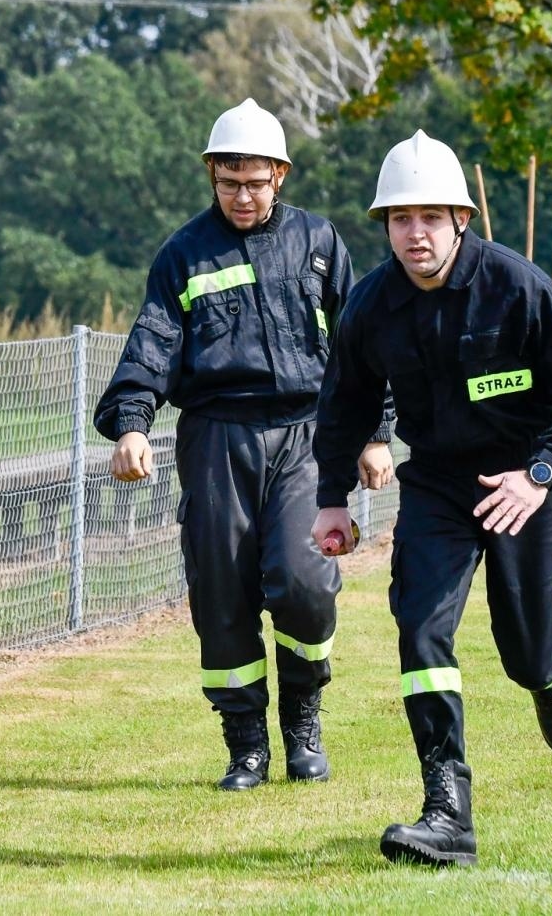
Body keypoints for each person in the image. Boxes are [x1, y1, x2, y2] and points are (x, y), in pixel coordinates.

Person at [310, 130, 552, 867]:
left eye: (431, 218)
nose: (416, 234)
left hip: (523, 481)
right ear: (385, 226)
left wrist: (540, 473)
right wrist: (331, 497)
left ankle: (550, 672)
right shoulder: (370, 307)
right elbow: (346, 400)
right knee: (420, 629)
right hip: (439, 484)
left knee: (524, 646)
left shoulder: (517, 285)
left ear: (461, 220)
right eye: (401, 219)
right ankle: (447, 807)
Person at [94, 98, 394, 791]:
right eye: (228, 182)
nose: (242, 195)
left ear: (280, 175)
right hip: (215, 440)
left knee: (304, 580)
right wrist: (133, 422)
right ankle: (247, 747)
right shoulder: (183, 254)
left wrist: (377, 433)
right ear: (211, 175)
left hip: (306, 439)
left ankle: (303, 723)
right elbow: (153, 342)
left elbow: (362, 347)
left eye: (255, 182)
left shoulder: (319, 244)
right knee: (222, 594)